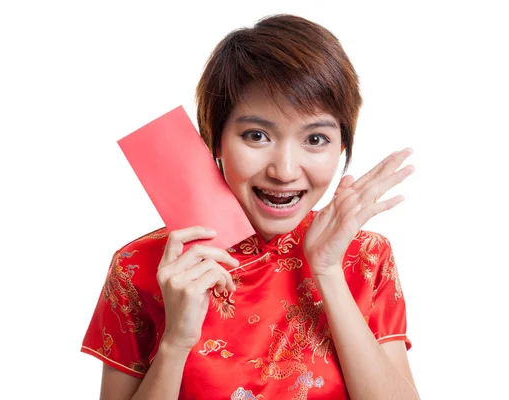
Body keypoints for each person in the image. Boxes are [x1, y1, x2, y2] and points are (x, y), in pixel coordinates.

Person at [81, 14, 419, 399]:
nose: (285, 170)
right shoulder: (139, 267)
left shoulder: (366, 257)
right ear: (215, 141)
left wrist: (327, 272)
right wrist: (176, 341)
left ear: (341, 146)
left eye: (316, 138)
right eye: (256, 135)